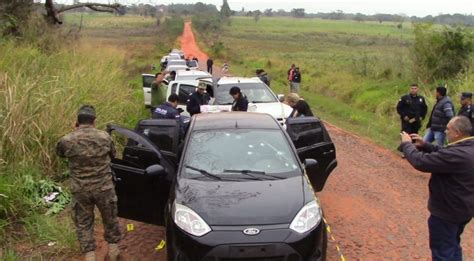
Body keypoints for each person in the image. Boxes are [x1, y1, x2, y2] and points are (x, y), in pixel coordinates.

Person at [400, 116, 473, 261]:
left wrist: (407, 145)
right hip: (463, 210)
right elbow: (446, 153)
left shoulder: (457, 154)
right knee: (452, 245)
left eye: (448, 129)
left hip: (447, 212)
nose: (445, 131)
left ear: (457, 132)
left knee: (443, 252)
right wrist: (426, 145)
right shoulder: (468, 147)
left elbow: (420, 162)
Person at [56, 105, 121, 261]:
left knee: (83, 222)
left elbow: (60, 154)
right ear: (94, 121)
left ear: (77, 122)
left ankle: (90, 256)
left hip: (80, 190)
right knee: (110, 218)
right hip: (104, 188)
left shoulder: (66, 140)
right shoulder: (105, 137)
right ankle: (113, 251)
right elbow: (113, 155)